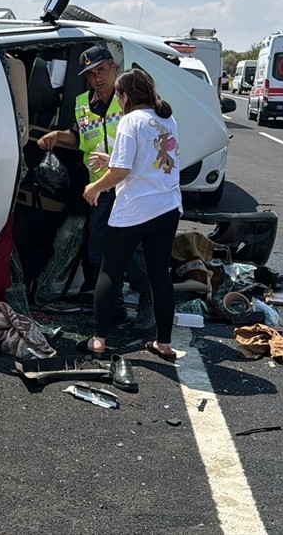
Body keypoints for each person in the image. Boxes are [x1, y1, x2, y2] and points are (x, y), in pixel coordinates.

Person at [37, 45, 153, 328]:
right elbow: (80, 139)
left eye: (101, 70)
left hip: (129, 185)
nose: (97, 78)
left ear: (114, 67)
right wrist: (57, 136)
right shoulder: (82, 103)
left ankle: (148, 299)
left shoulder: (130, 101)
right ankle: (113, 308)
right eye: (90, 74)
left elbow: (146, 143)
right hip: (99, 187)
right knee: (97, 250)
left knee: (131, 248)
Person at [80, 68, 182, 358]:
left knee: (110, 270)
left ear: (124, 96)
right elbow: (149, 161)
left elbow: (122, 172)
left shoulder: (129, 121)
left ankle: (99, 339)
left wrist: (95, 187)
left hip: (135, 209)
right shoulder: (167, 119)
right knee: (159, 274)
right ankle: (164, 343)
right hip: (167, 207)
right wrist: (111, 160)